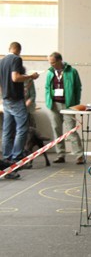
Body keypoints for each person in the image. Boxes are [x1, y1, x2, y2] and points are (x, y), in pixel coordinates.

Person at [0, 42, 39, 178]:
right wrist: (30, 76)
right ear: (19, 50)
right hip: (16, 99)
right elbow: (15, 77)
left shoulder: (2, 61)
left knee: (7, 130)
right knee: (22, 129)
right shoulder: (16, 59)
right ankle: (16, 158)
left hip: (6, 99)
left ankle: (6, 158)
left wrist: (3, 96)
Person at [45, 52, 84, 164]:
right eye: (50, 62)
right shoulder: (50, 73)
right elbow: (47, 87)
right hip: (54, 104)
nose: (51, 64)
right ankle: (60, 154)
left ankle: (79, 155)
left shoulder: (72, 72)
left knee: (71, 130)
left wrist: (75, 103)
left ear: (59, 60)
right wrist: (49, 101)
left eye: (52, 62)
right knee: (56, 129)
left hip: (68, 105)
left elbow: (78, 88)